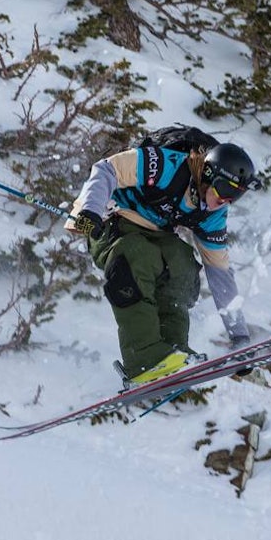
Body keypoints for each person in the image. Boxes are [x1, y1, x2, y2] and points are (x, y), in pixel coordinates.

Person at [66, 138, 259, 384]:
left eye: (236, 196)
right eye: (226, 190)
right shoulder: (167, 166)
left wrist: (240, 336)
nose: (227, 201)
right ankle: (144, 359)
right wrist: (91, 210)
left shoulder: (214, 214)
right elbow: (107, 169)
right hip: (112, 223)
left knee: (183, 265)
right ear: (208, 175)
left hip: (157, 234)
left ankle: (173, 353)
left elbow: (220, 272)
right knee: (136, 255)